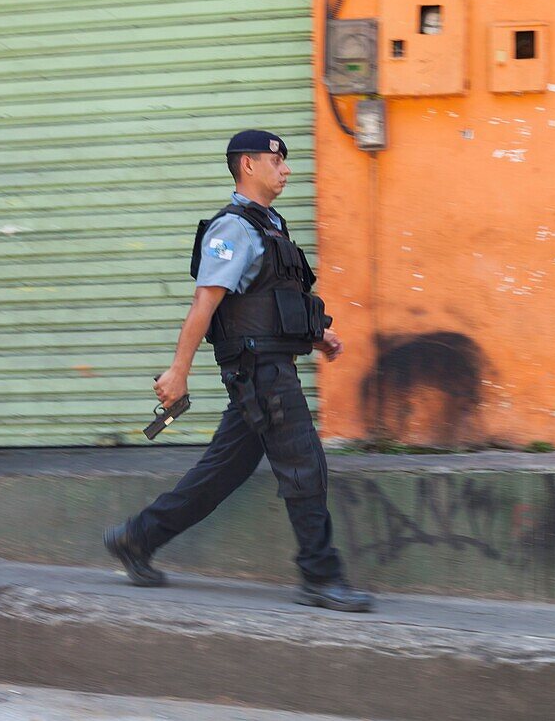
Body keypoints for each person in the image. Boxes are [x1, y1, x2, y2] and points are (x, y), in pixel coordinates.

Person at [104, 130, 373, 612]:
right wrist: (178, 371)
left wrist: (316, 335)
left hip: (267, 364)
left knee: (222, 472)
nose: (286, 169)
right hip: (260, 371)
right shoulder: (232, 229)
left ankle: (136, 538)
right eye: (277, 160)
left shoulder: (270, 225)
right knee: (304, 463)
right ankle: (320, 576)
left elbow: (270, 302)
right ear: (248, 165)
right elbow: (204, 304)